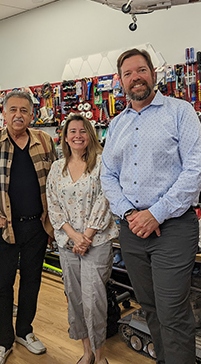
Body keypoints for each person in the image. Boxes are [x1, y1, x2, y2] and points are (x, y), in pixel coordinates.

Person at [101, 49, 201, 364]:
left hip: (172, 228)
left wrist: (155, 214)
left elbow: (196, 170)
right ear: (120, 81)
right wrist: (132, 215)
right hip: (132, 229)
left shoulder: (180, 111)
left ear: (153, 73)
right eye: (128, 73)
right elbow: (107, 175)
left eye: (142, 70)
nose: (136, 77)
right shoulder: (117, 123)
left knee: (172, 311)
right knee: (149, 308)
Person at [0, 90, 57, 364]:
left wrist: (52, 224)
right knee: (2, 285)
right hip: (4, 227)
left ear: (32, 114)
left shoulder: (44, 141)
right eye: (13, 110)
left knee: (32, 282)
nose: (18, 115)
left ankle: (25, 332)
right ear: (3, 114)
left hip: (37, 227)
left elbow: (55, 183)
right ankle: (2, 341)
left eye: (24, 110)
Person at [46, 115, 118, 364]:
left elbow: (105, 200)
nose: (77, 135)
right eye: (72, 131)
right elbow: (53, 205)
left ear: (90, 135)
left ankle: (100, 356)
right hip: (68, 244)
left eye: (82, 131)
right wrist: (74, 236)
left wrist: (86, 236)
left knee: (94, 300)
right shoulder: (57, 167)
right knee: (75, 298)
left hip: (96, 242)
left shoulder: (102, 164)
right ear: (65, 137)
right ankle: (86, 352)